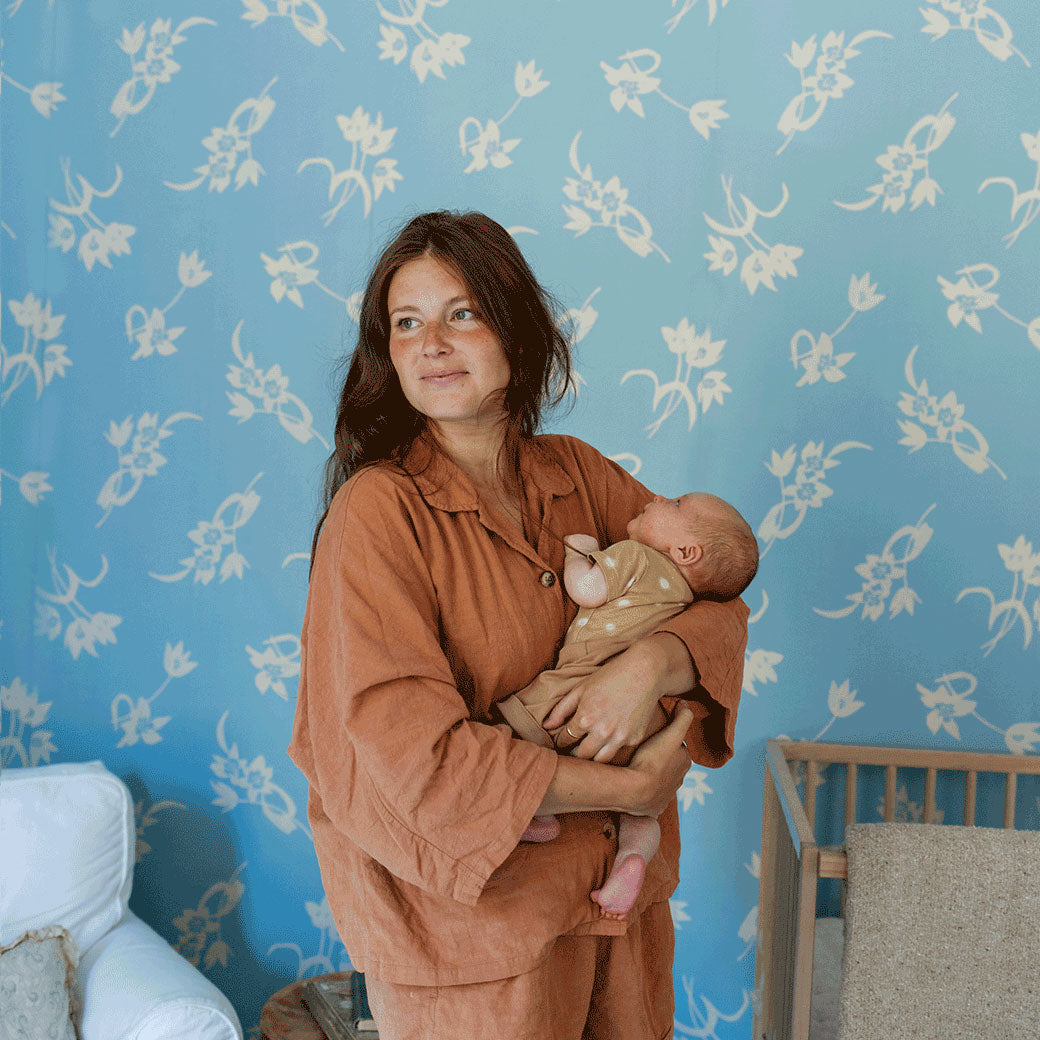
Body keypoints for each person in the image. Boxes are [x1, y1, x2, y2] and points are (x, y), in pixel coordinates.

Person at [287, 210, 750, 1040]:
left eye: (461, 312)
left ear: (516, 332)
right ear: (385, 354)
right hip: (468, 941)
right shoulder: (378, 516)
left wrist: (650, 667)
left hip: (614, 907)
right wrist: (633, 787)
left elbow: (715, 591)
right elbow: (412, 756)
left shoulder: (579, 473)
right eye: (406, 322)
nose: (431, 341)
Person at [495, 491, 758, 921]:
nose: (657, 496)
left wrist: (578, 553)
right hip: (646, 730)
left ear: (686, 551)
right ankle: (633, 855)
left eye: (674, 504)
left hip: (577, 693)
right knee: (640, 810)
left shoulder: (636, 558)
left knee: (512, 728)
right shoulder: (686, 602)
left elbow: (589, 589)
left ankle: (534, 813)